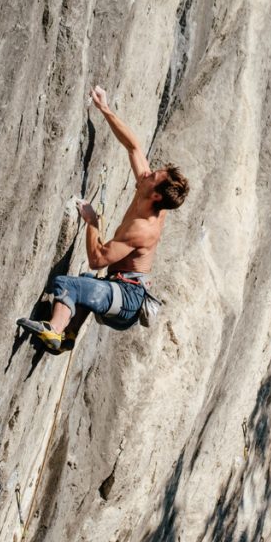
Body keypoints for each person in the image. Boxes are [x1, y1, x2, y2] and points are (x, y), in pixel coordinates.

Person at [18, 86, 189, 352]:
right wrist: (105, 109)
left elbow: (98, 259)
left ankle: (54, 332)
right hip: (120, 287)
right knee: (88, 281)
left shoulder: (143, 229)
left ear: (156, 196)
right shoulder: (149, 194)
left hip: (128, 299)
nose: (149, 172)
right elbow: (133, 147)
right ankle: (70, 334)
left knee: (67, 285)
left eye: (155, 175)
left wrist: (92, 223)